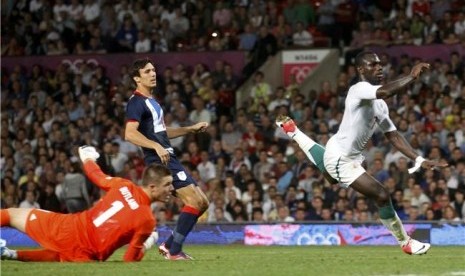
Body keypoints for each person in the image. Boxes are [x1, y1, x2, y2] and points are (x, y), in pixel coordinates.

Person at [276, 51, 448, 255]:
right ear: (361, 70)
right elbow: (385, 91)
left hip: (339, 150)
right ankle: (405, 242)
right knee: (382, 194)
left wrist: (419, 159)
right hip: (341, 158)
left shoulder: (380, 106)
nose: (379, 67)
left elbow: (393, 136)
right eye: (373, 65)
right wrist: (411, 76)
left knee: (330, 178)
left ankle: (293, 131)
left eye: (379, 64)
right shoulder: (358, 89)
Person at [0, 146, 173, 262]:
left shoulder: (123, 185)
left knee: (10, 214)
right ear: (152, 187)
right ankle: (10, 254)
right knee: (61, 256)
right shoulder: (147, 219)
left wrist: (87, 158)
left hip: (69, 229)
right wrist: (148, 242)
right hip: (86, 256)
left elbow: (96, 176)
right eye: (167, 184)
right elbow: (129, 260)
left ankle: (9, 253)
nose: (171, 189)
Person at [124, 58, 209, 260]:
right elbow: (129, 134)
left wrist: (189, 129)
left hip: (169, 156)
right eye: (147, 72)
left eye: (153, 70)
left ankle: (169, 246)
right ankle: (174, 251)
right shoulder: (136, 102)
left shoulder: (152, 102)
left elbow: (161, 132)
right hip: (160, 160)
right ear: (137, 78)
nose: (153, 74)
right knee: (195, 201)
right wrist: (155, 145)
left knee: (202, 202)